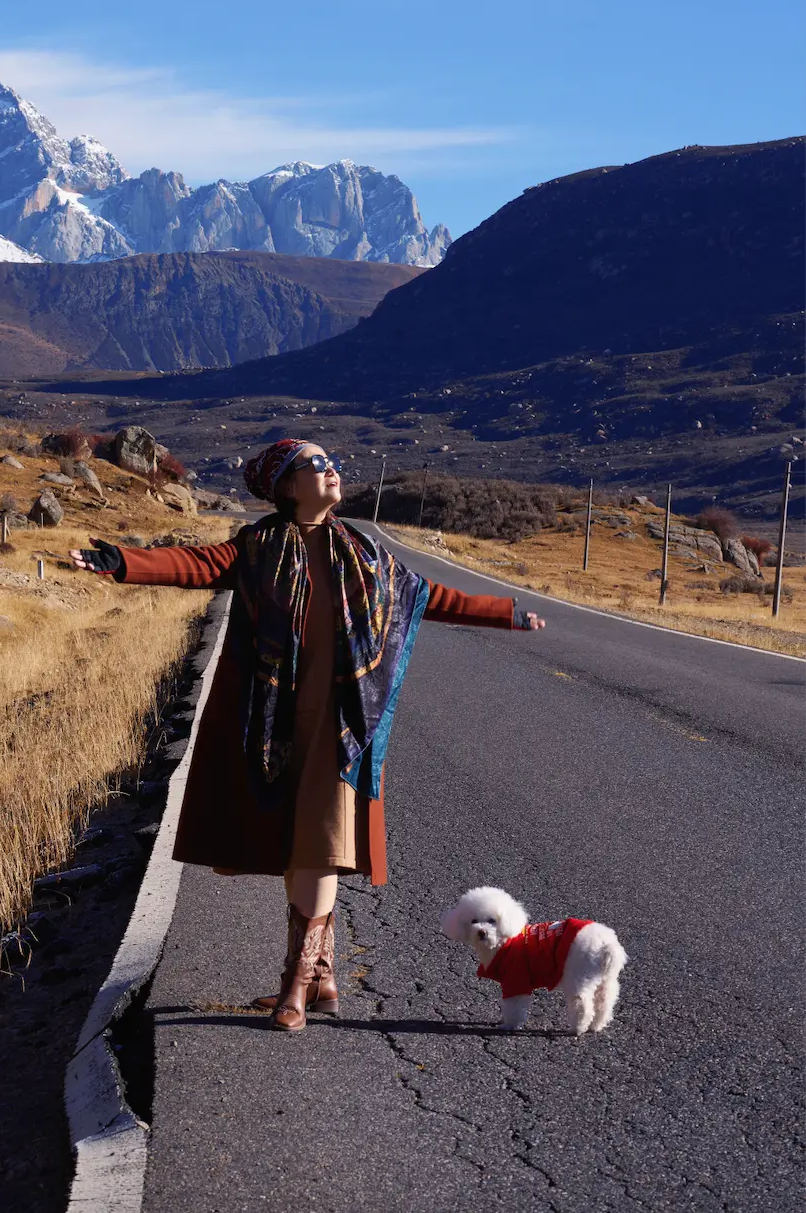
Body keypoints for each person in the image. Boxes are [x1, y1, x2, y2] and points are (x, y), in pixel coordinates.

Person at [70, 439, 546, 1033]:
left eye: (332, 463)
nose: (332, 470)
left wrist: (504, 612)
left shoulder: (366, 553)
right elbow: (194, 565)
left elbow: (428, 597)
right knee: (298, 849)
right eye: (316, 465)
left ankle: (295, 981)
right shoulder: (259, 546)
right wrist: (122, 562)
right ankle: (321, 975)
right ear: (286, 486)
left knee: (319, 846)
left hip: (343, 725)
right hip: (270, 722)